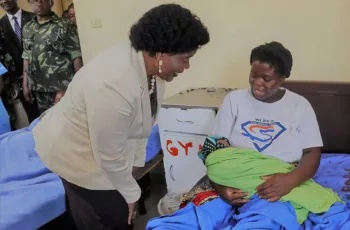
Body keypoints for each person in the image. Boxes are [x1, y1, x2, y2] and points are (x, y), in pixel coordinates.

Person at [32, 3, 209, 229]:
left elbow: (143, 123)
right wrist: (132, 192)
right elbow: (107, 156)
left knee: (118, 210)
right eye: (185, 58)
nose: (187, 66)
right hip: (72, 152)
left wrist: (134, 167)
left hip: (102, 150)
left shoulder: (152, 70)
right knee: (107, 218)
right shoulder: (113, 84)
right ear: (162, 53)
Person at [211, 41, 323, 206]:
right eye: (253, 75)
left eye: (267, 78)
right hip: (232, 180)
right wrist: (221, 187)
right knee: (200, 216)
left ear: (282, 78)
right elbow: (214, 150)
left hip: (279, 183)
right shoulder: (233, 101)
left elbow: (312, 152)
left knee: (269, 218)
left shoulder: (299, 105)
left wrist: (290, 181)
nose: (257, 82)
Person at [22, 0, 83, 114]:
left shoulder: (65, 26)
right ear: (30, 3)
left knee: (65, 121)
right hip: (38, 89)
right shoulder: (27, 28)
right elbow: (26, 57)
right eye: (35, 0)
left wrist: (77, 86)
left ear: (51, 3)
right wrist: (25, 85)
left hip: (61, 89)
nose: (39, 3)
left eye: (43, 0)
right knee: (46, 122)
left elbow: (76, 57)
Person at [0, 0, 39, 127]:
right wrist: (12, 82)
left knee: (51, 115)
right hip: (20, 81)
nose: (4, 1)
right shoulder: (0, 25)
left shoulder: (34, 17)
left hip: (43, 77)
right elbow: (3, 56)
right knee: (33, 119)